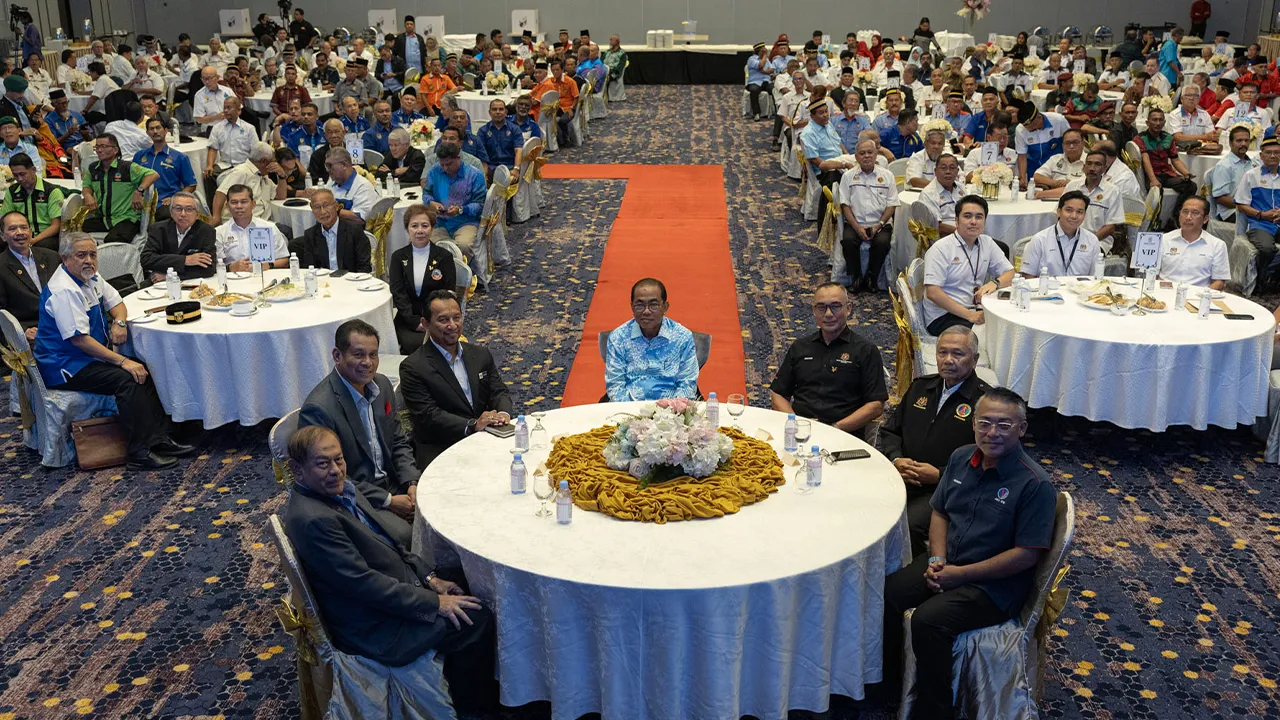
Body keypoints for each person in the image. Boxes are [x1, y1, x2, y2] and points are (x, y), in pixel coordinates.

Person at [281, 422, 499, 712]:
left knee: (463, 576)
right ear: (298, 470)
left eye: (339, 459)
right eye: (323, 463)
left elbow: (388, 541)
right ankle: (472, 707)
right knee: (477, 620)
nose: (335, 470)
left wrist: (430, 577)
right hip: (375, 621)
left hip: (393, 583)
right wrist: (435, 603)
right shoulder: (314, 520)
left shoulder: (340, 489)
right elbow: (365, 586)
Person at [882, 386, 1056, 720]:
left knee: (929, 621)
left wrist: (959, 575)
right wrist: (937, 560)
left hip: (993, 586)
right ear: (973, 423)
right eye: (985, 423)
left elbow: (1025, 556)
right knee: (889, 594)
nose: (992, 432)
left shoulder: (1035, 484)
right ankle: (893, 681)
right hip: (949, 562)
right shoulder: (961, 458)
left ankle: (934, 710)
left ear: (1022, 428)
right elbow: (940, 512)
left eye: (1004, 425)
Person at [34, 233, 194, 470]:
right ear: (65, 259)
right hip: (65, 365)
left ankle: (159, 439)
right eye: (81, 255)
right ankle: (139, 452)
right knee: (126, 379)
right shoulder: (64, 290)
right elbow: (80, 340)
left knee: (144, 368)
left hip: (85, 358)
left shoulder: (90, 277)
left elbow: (118, 303)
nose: (89, 260)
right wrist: (122, 362)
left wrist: (119, 322)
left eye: (92, 254)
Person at [297, 320, 419, 543]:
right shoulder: (319, 409)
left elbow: (399, 441)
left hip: (394, 483)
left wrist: (412, 483)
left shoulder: (381, 386)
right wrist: (388, 501)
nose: (368, 363)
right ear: (337, 356)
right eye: (358, 355)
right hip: (354, 497)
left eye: (373, 355)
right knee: (407, 535)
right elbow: (329, 476)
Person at [880, 326, 991, 555]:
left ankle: (904, 579)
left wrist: (939, 474)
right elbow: (891, 431)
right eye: (942, 353)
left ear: (975, 359)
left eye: (958, 354)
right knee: (864, 508)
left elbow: (989, 462)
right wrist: (897, 458)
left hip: (948, 490)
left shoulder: (986, 403)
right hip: (902, 475)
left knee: (905, 526)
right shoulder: (921, 387)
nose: (948, 360)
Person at [400, 289, 513, 466]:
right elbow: (429, 416)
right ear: (426, 323)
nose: (452, 325)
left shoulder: (480, 354)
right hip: (442, 449)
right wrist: (473, 424)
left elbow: (498, 391)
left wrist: (503, 414)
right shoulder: (413, 367)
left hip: (487, 437)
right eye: (443, 320)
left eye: (457, 318)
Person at [770, 282, 888, 440]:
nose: (828, 314)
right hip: (801, 434)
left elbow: (876, 405)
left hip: (844, 435)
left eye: (835, 306)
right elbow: (778, 393)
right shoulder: (800, 347)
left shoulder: (865, 350)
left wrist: (835, 428)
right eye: (821, 307)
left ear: (849, 309)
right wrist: (796, 424)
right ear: (814, 311)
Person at [923, 195, 1014, 335]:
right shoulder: (941, 248)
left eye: (979, 217)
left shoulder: (987, 243)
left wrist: (994, 283)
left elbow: (1010, 273)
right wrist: (969, 315)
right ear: (956, 220)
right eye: (967, 216)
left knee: (1008, 326)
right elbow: (933, 293)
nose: (973, 222)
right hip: (943, 316)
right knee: (990, 334)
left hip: (973, 308)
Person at [604, 278, 699, 402]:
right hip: (628, 410)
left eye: (653, 305)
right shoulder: (618, 337)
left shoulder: (682, 337)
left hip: (671, 412)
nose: (646, 311)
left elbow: (687, 385)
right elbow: (615, 386)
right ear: (632, 307)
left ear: (665, 307)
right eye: (639, 305)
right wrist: (634, 414)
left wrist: (669, 412)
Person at [389, 205, 457, 354]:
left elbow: (448, 294)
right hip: (407, 319)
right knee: (410, 344)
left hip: (437, 319)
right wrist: (414, 322)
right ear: (407, 229)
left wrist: (432, 321)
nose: (420, 230)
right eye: (414, 226)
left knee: (434, 344)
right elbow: (398, 293)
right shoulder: (398, 257)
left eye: (425, 226)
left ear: (432, 228)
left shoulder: (444, 257)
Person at [839, 139, 899, 292]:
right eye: (862, 153)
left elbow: (891, 205)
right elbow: (845, 205)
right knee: (848, 241)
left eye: (870, 152)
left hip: (881, 223)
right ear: (856, 157)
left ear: (876, 155)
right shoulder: (848, 176)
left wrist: (878, 224)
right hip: (855, 222)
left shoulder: (887, 176)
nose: (866, 156)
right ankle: (857, 278)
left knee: (882, 243)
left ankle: (872, 277)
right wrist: (857, 227)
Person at [81, 134, 157, 244]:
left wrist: (139, 191)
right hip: (105, 219)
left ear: (115, 150)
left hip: (127, 218)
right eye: (97, 147)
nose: (99, 150)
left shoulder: (126, 167)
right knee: (74, 230)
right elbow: (87, 185)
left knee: (112, 241)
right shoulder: (93, 168)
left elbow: (153, 174)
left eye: (104, 146)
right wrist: (87, 195)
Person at [0, 211, 58, 339]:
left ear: (31, 232)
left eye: (24, 227)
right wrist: (22, 330)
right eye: (12, 229)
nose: (20, 232)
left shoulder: (52, 257)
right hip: (31, 331)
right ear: (3, 236)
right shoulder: (1, 266)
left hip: (62, 323)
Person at [1233, 137, 1280, 288]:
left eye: (1277, 153)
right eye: (1269, 153)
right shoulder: (1251, 176)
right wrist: (1261, 214)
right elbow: (1241, 204)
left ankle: (1271, 276)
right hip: (1260, 224)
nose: (1273, 156)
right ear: (1261, 156)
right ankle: (1263, 281)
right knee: (1266, 248)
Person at [1019, 191, 1102, 277]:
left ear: (1085, 215)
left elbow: (1095, 277)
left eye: (1079, 212)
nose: (1074, 216)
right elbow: (1028, 276)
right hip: (1047, 289)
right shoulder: (1040, 240)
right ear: (1059, 212)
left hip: (1080, 289)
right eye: (1069, 210)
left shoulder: (1092, 240)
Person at [422, 142, 485, 253]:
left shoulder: (474, 175)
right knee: (420, 241)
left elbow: (480, 204)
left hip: (465, 222)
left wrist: (460, 209)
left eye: (449, 164)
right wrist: (431, 203)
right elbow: (426, 193)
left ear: (458, 158)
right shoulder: (435, 171)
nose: (445, 168)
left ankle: (461, 270)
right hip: (440, 222)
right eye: (442, 164)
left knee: (463, 246)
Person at [1137, 109, 1198, 224]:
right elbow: (1146, 161)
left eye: (1160, 120)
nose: (1158, 123)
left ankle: (1176, 216)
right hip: (1151, 174)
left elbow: (1175, 159)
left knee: (1191, 186)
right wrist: (1153, 180)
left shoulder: (1168, 138)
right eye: (1154, 120)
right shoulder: (1141, 138)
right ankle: (1154, 222)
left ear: (1164, 123)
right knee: (1156, 191)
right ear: (1147, 123)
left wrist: (1186, 173)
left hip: (1167, 174)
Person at [1155, 196, 1229, 290]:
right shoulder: (1162, 240)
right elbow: (1151, 274)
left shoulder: (1217, 245)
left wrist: (1199, 297)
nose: (1188, 217)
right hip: (1163, 295)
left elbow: (1219, 282)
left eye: (1195, 213)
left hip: (1198, 298)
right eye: (1185, 212)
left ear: (1205, 219)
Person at [140, 192, 216, 283]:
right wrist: (185, 260)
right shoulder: (158, 229)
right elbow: (146, 259)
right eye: (178, 209)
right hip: (159, 284)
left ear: (197, 214)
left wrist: (170, 276)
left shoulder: (206, 231)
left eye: (189, 209)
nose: (183, 214)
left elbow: (209, 269)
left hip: (191, 283)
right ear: (171, 212)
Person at [133, 117, 196, 223]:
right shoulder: (139, 156)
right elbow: (132, 181)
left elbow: (191, 185)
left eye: (158, 128)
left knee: (164, 218)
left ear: (166, 131)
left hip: (166, 203)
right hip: (141, 202)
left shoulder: (179, 157)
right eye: (151, 129)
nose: (155, 131)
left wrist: (175, 198)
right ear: (147, 133)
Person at [214, 184, 289, 272]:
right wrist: (230, 268)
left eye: (244, 202)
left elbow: (284, 260)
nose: (239, 206)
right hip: (234, 280)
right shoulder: (219, 232)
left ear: (253, 204)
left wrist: (267, 265)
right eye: (234, 202)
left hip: (265, 277)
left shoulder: (269, 228)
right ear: (227, 206)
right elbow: (215, 266)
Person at [295, 188, 372, 273]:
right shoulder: (310, 235)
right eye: (317, 207)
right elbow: (310, 269)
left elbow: (364, 268)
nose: (322, 212)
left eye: (326, 205)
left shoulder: (354, 230)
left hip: (351, 282)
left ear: (336, 206)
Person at [211, 142, 290, 224]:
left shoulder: (264, 176)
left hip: (262, 222)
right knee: (287, 231)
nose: (275, 164)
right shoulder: (241, 172)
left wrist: (282, 176)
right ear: (263, 161)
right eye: (273, 161)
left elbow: (280, 196)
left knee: (287, 228)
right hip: (243, 223)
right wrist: (216, 217)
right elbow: (220, 193)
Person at [1061, 151, 1124, 252]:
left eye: (1097, 164)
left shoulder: (1113, 191)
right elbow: (1061, 215)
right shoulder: (1072, 186)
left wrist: (1087, 241)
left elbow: (1111, 226)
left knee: (1080, 257)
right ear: (1084, 167)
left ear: (1104, 168)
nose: (1092, 168)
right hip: (1069, 238)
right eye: (1089, 164)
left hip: (1098, 241)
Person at [0, 155, 64, 252]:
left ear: (33, 170)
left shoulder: (52, 191)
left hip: (44, 236)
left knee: (40, 247)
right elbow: (4, 219)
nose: (20, 179)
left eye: (23, 174)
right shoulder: (12, 191)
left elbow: (56, 225)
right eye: (16, 175)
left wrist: (34, 240)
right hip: (18, 233)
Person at [1209, 125, 1259, 222]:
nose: (1243, 144)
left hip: (1251, 207)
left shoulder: (1251, 163)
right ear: (1231, 143)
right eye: (1239, 141)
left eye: (1246, 140)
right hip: (1231, 212)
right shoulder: (1224, 166)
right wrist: (1247, 207)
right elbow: (1220, 198)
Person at [316, 148, 379, 224]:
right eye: (326, 166)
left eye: (329, 166)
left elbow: (360, 219)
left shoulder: (363, 186)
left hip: (351, 234)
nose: (328, 170)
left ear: (344, 165)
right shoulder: (331, 181)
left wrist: (333, 210)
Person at [1015, 103, 1070, 183]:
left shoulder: (1058, 120)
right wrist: (1022, 178)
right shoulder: (1020, 130)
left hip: (1057, 170)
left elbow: (1070, 141)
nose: (1030, 130)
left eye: (1033, 127)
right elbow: (1022, 156)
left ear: (1039, 117)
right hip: (1034, 170)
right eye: (1027, 129)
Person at [532, 59, 579, 147]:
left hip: (568, 107)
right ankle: (557, 140)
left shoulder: (570, 81)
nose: (555, 72)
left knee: (562, 120)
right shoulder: (551, 81)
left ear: (562, 70)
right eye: (553, 70)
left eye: (557, 70)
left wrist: (572, 108)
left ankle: (565, 139)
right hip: (555, 108)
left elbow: (576, 97)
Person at [919, 154, 965, 236]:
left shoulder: (960, 187)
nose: (948, 172)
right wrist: (962, 233)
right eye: (943, 168)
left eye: (952, 168)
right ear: (935, 171)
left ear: (957, 171)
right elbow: (936, 227)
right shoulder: (928, 194)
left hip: (965, 233)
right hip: (944, 239)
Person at [477, 98, 523, 177]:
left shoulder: (515, 129)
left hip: (510, 168)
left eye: (501, 109)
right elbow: (481, 154)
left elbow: (519, 151)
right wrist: (484, 173)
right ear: (490, 112)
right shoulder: (482, 131)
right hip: (490, 168)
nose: (498, 112)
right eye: (494, 109)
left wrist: (516, 169)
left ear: (505, 112)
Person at [1031, 128, 1086, 194]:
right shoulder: (1055, 159)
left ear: (1083, 143)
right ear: (1063, 145)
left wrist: (1069, 184)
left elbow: (1085, 185)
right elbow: (1037, 176)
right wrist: (1055, 183)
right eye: (1067, 143)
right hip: (1049, 197)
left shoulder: (1090, 161)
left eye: (1075, 142)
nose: (1071, 146)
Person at [1168, 84, 1220, 153]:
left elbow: (1211, 136)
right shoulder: (1174, 115)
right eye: (1188, 95)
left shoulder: (1204, 114)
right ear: (1181, 99)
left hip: (1201, 151)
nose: (1191, 98)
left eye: (1195, 95)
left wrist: (1210, 137)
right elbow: (1178, 137)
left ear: (1199, 99)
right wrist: (1205, 137)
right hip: (1180, 152)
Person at [192, 67, 235, 133]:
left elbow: (238, 109)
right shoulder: (199, 95)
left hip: (229, 125)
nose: (207, 82)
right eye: (204, 79)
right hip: (211, 128)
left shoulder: (228, 91)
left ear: (217, 78)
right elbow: (199, 119)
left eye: (209, 78)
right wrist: (216, 117)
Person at [44, 90, 89, 154]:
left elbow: (89, 137)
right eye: (61, 104)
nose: (65, 106)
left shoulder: (76, 115)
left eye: (66, 102)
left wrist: (86, 134)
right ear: (53, 105)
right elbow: (53, 143)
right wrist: (68, 134)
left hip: (82, 144)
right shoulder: (49, 120)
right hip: (66, 147)